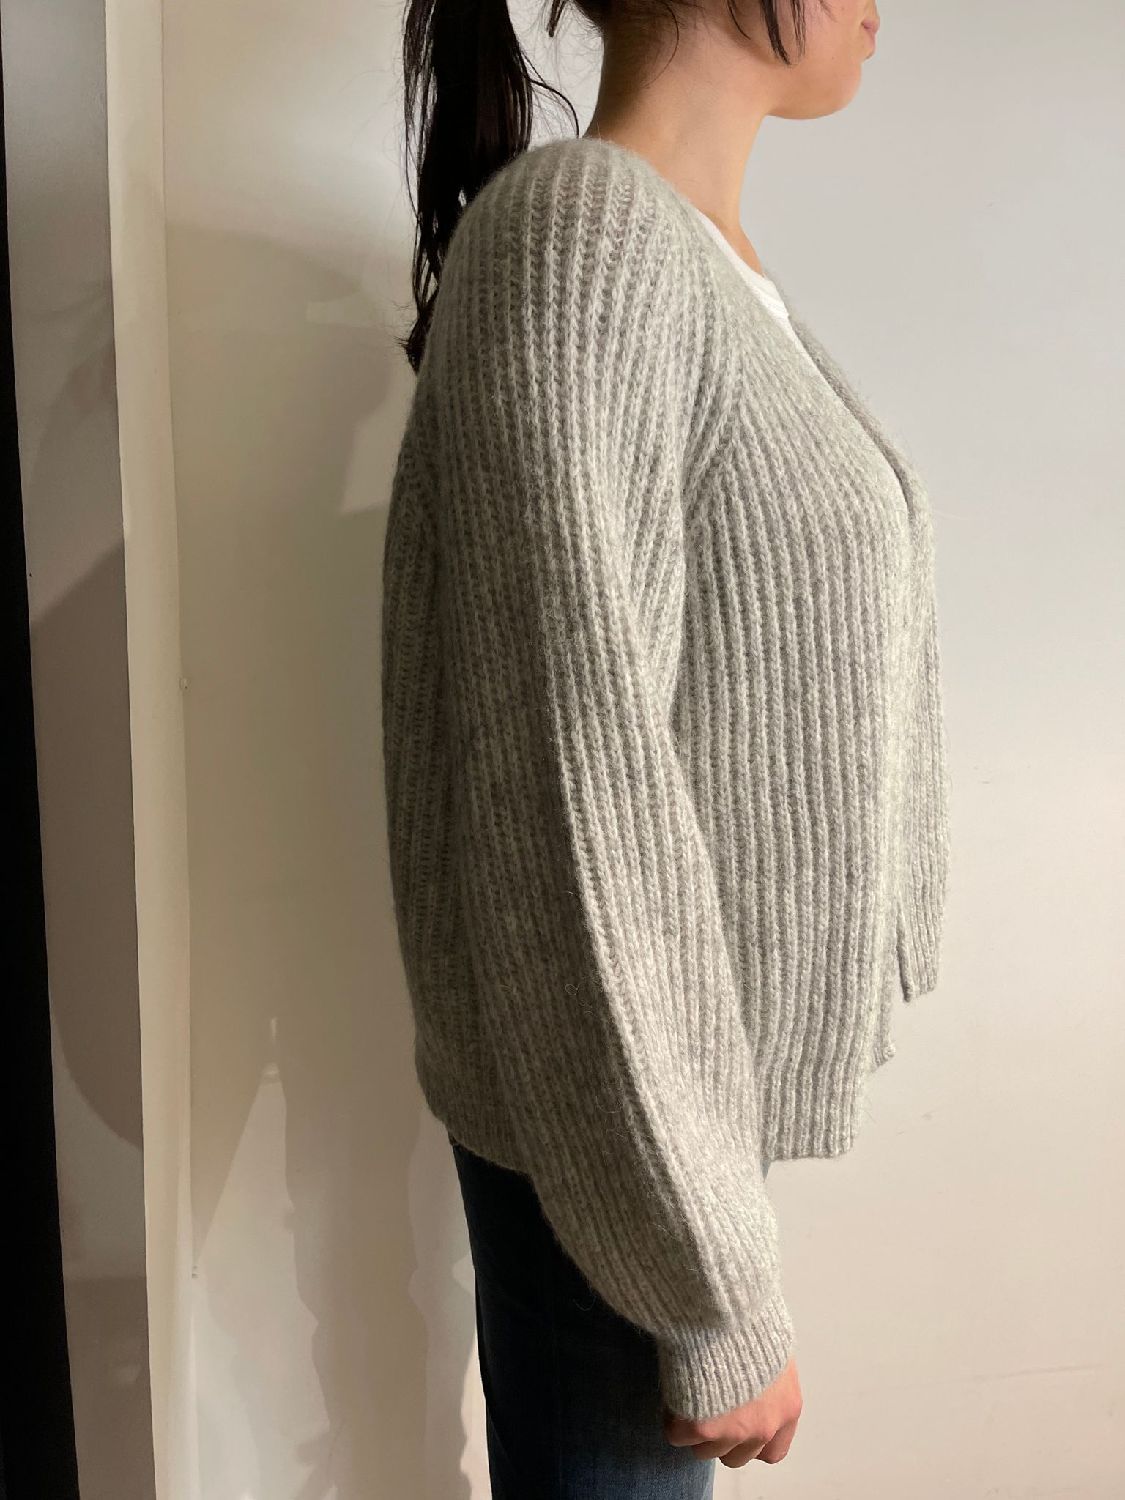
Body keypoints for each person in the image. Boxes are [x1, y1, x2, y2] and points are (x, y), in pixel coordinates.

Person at [381, 0, 951, 1492]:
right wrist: (707, 1285)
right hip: (614, 1143)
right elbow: (577, 787)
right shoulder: (587, 236)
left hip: (656, 1114)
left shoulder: (690, 255)